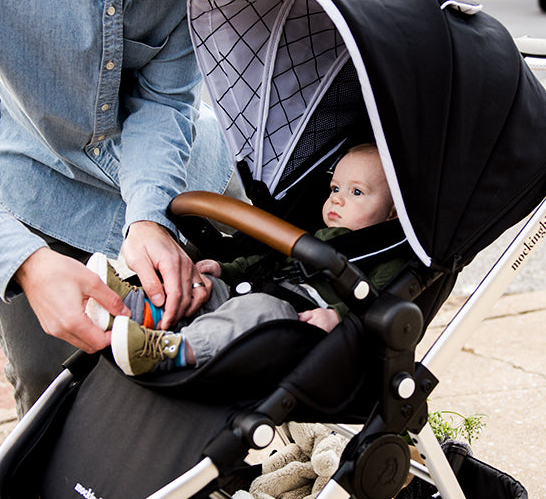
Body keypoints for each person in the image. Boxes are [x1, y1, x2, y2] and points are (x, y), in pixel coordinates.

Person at [0, 0, 241, 416]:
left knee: (194, 389)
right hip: (32, 185)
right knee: (50, 394)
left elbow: (167, 98)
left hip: (178, 181)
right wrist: (19, 261)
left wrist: (150, 217)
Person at [85, 144, 403, 375]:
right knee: (205, 287)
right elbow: (267, 260)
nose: (337, 197)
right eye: (335, 187)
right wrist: (224, 269)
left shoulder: (388, 257)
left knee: (260, 310)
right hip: (260, 290)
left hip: (295, 322)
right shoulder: (318, 235)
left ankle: (169, 351)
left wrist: (338, 316)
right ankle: (131, 308)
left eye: (357, 192)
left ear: (391, 213)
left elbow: (378, 303)